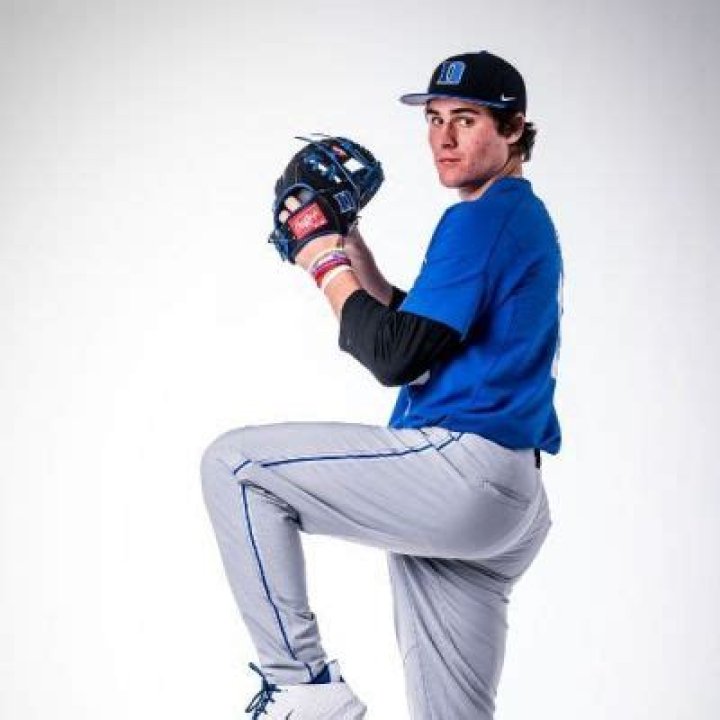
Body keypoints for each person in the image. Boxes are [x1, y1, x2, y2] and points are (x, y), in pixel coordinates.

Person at [201, 49, 564, 720]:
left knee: (236, 466)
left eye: (465, 119)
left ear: (513, 128)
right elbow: (416, 334)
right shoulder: (514, 218)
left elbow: (394, 358)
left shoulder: (485, 217)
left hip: (465, 474)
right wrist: (349, 243)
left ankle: (305, 688)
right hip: (509, 501)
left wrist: (321, 255)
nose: (443, 138)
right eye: (433, 119)